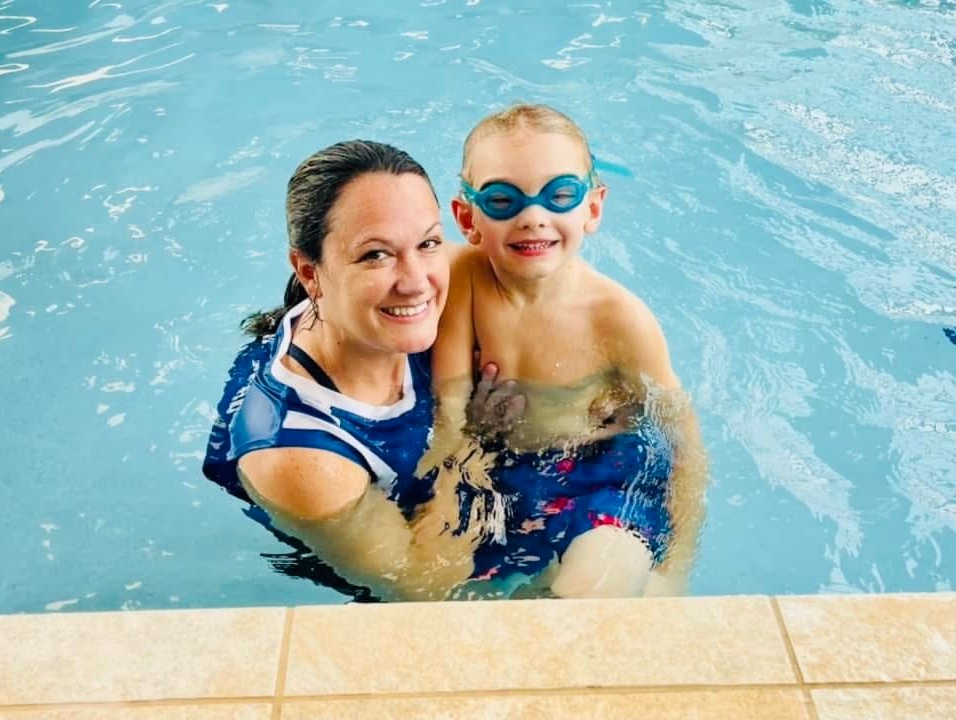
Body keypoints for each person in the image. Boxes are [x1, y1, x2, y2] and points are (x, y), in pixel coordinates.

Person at [427, 104, 708, 598]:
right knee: (440, 587)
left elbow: (680, 434)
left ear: (592, 208)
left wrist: (678, 564)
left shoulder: (617, 318)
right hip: (504, 468)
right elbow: (449, 411)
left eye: (559, 195)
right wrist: (450, 483)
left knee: (586, 598)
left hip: (600, 470)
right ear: (467, 217)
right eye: (501, 199)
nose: (533, 217)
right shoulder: (465, 281)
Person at [204, 140, 500, 602]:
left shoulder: (405, 297)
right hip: (364, 558)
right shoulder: (302, 461)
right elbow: (428, 586)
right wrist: (471, 443)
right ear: (310, 272)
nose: (417, 281)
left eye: (428, 242)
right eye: (376, 255)